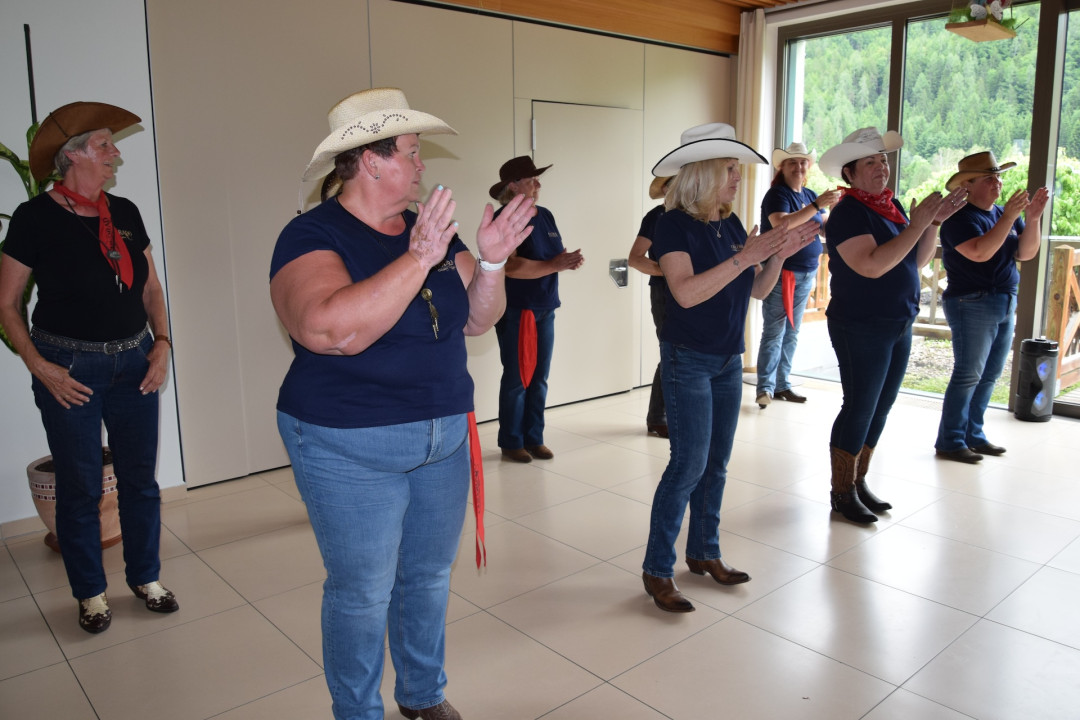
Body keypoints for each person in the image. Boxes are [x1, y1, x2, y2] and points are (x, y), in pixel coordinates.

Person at [270, 88, 535, 720]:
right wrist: (419, 257)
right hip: (346, 441)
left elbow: (478, 319)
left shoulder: (431, 234)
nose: (422, 167)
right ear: (370, 162)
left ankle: (421, 695)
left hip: (442, 434)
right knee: (362, 592)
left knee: (426, 578)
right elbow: (328, 329)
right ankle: (358, 712)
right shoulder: (310, 235)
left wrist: (492, 262)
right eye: (413, 154)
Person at [0, 101, 178, 634]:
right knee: (80, 487)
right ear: (72, 155)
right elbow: (7, 304)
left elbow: (149, 286)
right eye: (104, 145)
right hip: (69, 369)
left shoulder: (123, 212)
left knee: (140, 481)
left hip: (135, 361)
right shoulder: (35, 219)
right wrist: (40, 366)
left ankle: (145, 577)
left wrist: (163, 341)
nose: (114, 153)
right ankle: (91, 593)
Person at [640, 123, 819, 613]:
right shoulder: (672, 225)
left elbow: (757, 292)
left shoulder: (731, 223)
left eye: (737, 170)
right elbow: (686, 291)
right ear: (701, 173)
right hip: (689, 359)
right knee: (688, 465)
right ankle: (657, 569)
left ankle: (704, 553)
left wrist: (777, 254)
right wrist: (747, 257)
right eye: (729, 169)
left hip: (726, 360)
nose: (738, 179)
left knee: (716, 464)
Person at [818, 127, 968, 523]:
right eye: (870, 161)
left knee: (880, 408)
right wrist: (916, 225)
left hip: (898, 320)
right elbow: (871, 265)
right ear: (849, 172)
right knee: (860, 407)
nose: (880, 167)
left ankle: (857, 480)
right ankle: (841, 492)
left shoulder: (890, 205)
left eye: (882, 160)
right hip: (861, 324)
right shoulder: (848, 213)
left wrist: (932, 223)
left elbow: (914, 261)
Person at [935, 152, 1048, 463]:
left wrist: (1034, 218)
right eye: (989, 178)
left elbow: (1026, 253)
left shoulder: (1001, 214)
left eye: (998, 176)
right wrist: (1010, 218)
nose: (998, 182)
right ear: (968, 185)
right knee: (968, 374)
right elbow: (980, 252)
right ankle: (951, 440)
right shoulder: (958, 220)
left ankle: (974, 434)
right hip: (971, 302)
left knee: (990, 374)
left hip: (1004, 298)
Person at [489, 156, 584, 463]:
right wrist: (552, 265)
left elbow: (551, 257)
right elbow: (511, 266)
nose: (538, 184)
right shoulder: (504, 218)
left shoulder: (544, 215)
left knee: (540, 377)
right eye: (531, 179)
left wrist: (566, 261)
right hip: (520, 309)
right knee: (518, 378)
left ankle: (534, 437)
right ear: (512, 185)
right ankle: (511, 442)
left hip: (545, 305)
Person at [754, 142, 841, 408]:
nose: (799, 167)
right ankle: (765, 388)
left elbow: (825, 229)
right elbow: (781, 222)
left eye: (803, 162)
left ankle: (782, 384)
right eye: (792, 162)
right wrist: (816, 205)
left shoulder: (810, 195)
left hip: (807, 272)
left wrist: (838, 209)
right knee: (774, 331)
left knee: (792, 331)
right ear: (783, 167)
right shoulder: (777, 195)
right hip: (782, 273)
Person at [628, 175, 673, 437]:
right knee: (670, 352)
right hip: (664, 293)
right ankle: (657, 417)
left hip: (694, 292)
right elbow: (635, 258)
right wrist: (667, 271)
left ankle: (672, 414)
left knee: (682, 354)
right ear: (666, 188)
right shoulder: (656, 216)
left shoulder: (697, 214)